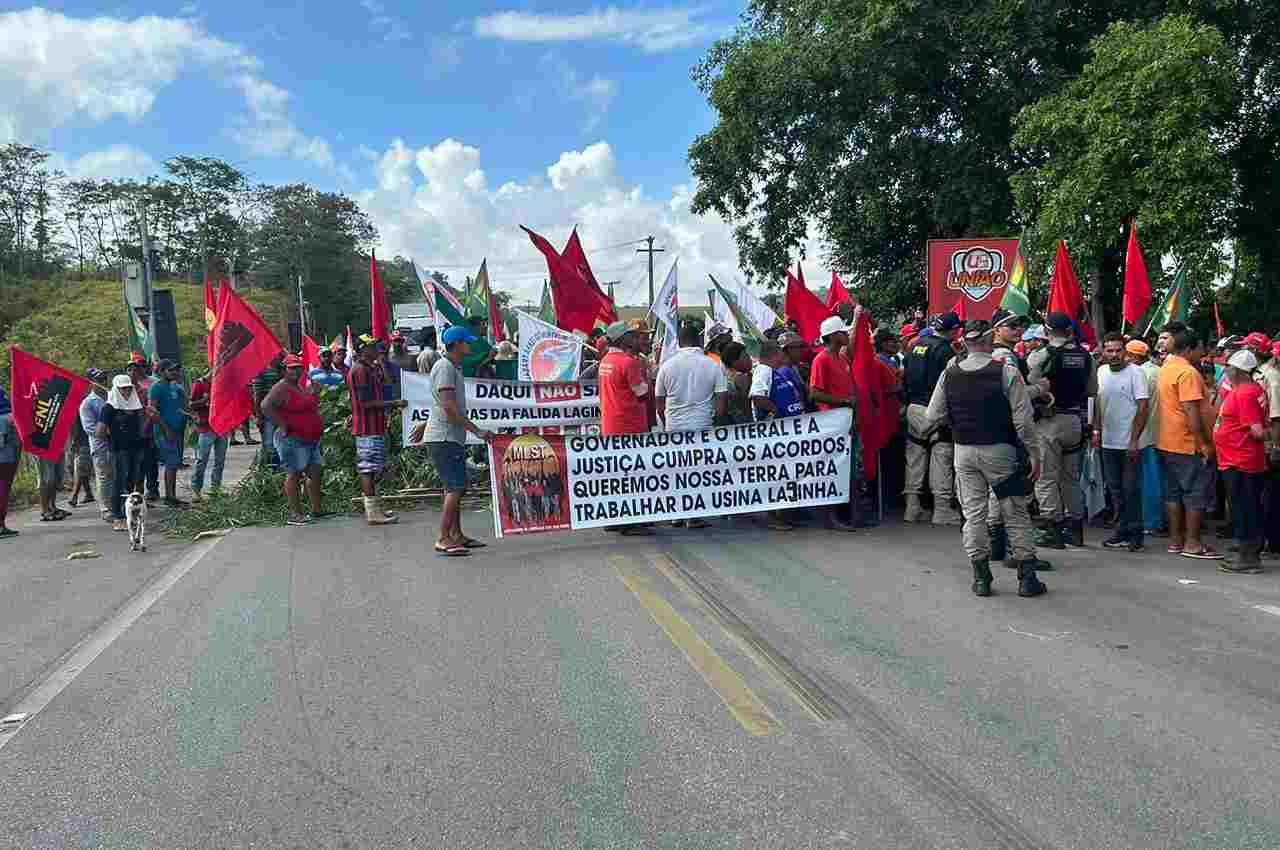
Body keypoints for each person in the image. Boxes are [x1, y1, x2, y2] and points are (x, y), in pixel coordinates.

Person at [925, 320, 1049, 598]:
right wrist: (1034, 453)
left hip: (964, 451)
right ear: (989, 338)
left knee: (973, 515)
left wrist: (959, 421)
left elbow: (932, 416)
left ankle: (981, 578)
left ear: (966, 342)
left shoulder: (950, 372)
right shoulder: (1004, 372)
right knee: (1015, 512)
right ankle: (1027, 579)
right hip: (1000, 452)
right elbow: (1024, 421)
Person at [423, 325, 496, 556]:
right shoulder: (445, 368)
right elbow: (449, 408)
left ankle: (456, 534)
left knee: (455, 487)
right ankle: (443, 537)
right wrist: (478, 431)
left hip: (450, 436)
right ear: (456, 344)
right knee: (455, 487)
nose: (470, 345)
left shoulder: (452, 366)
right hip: (444, 436)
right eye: (466, 342)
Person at [1028, 311, 1096, 549]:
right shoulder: (1086, 356)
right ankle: (1075, 529)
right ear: (1069, 330)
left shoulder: (1040, 356)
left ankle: (1051, 530)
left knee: (1046, 476)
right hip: (1075, 421)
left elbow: (1032, 388)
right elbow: (1091, 391)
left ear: (1046, 331)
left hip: (1049, 421)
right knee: (1071, 479)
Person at [1156, 330, 1220, 559]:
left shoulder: (1166, 369)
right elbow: (1191, 411)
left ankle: (1175, 541)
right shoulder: (1187, 373)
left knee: (1173, 494)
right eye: (1201, 348)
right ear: (1189, 349)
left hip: (1166, 441)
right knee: (1195, 493)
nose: (1203, 352)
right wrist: (1203, 443)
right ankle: (1192, 543)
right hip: (1186, 443)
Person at [902, 312, 962, 525]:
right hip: (936, 410)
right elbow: (951, 383)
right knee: (941, 457)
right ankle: (942, 510)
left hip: (913, 407)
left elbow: (904, 375)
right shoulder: (945, 351)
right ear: (953, 330)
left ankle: (912, 508)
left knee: (915, 458)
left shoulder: (915, 345)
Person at [1095, 333, 1151, 552]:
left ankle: (1136, 534)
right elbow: (1098, 403)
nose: (1114, 354)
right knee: (1115, 489)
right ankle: (1122, 530)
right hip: (1108, 442)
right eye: (1110, 350)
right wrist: (1097, 431)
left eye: (1118, 350)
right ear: (1103, 352)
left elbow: (1143, 407)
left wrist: (1134, 440)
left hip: (1130, 443)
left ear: (1125, 352)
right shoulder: (1100, 372)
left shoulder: (1136, 373)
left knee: (1131, 489)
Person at [1214, 349, 1268, 573]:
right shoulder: (1248, 390)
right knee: (1245, 507)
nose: (1225, 370)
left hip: (1241, 461)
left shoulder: (1244, 393)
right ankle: (1247, 553)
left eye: (1228, 367)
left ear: (1238, 371)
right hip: (1238, 459)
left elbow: (1256, 430)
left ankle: (1248, 558)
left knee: (1244, 509)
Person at [598, 319, 654, 536]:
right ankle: (631, 521)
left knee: (616, 475)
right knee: (633, 475)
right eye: (631, 335)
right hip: (629, 425)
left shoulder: (605, 360)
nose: (635, 338)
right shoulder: (628, 362)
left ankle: (615, 519)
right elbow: (642, 393)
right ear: (623, 339)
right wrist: (648, 377)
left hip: (611, 425)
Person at [263, 354, 328, 526]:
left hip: (309, 438)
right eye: (292, 368)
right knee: (294, 474)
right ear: (284, 370)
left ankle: (317, 510)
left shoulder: (298, 386)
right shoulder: (281, 387)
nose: (296, 371)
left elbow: (308, 407)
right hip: (293, 439)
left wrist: (315, 393)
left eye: (298, 367)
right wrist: (282, 425)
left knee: (315, 471)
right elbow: (265, 406)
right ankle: (295, 514)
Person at [348, 334, 407, 525]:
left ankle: (375, 506)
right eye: (372, 347)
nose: (377, 350)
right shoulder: (360, 371)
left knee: (375, 468)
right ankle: (373, 512)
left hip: (375, 424)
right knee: (368, 469)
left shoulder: (369, 368)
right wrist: (393, 403)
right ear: (362, 349)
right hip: (367, 427)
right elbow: (365, 403)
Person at [809, 315, 861, 532]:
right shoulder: (821, 360)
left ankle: (846, 514)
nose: (846, 334)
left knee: (848, 470)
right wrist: (844, 401)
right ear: (833, 336)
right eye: (843, 332)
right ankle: (831, 517)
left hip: (846, 422)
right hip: (832, 424)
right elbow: (814, 393)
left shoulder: (842, 359)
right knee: (833, 471)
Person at [749, 339, 804, 530]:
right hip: (774, 434)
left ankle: (783, 514)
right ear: (774, 354)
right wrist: (776, 412)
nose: (784, 356)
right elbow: (757, 396)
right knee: (775, 475)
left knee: (783, 474)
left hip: (785, 433)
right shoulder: (764, 370)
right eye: (781, 352)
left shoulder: (774, 373)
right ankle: (773, 517)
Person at [656, 319, 729, 433]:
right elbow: (722, 401)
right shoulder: (714, 365)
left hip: (674, 429)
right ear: (699, 341)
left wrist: (667, 424)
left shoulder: (666, 366)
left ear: (679, 343)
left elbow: (659, 405)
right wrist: (716, 425)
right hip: (704, 427)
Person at [100, 374, 148, 533]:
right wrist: (112, 436)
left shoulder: (135, 406)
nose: (126, 391)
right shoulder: (109, 408)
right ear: (116, 389)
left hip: (135, 448)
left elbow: (140, 428)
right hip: (118, 450)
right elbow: (100, 430)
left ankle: (127, 512)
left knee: (131, 480)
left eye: (128, 388)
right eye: (122, 388)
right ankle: (117, 516)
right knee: (118, 482)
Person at [147, 359, 189, 508]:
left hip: (178, 430)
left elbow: (181, 407)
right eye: (171, 370)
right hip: (164, 432)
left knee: (175, 463)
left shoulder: (175, 387)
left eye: (176, 370)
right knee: (170, 463)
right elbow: (152, 411)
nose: (175, 373)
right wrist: (166, 429)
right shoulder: (156, 388)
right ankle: (170, 498)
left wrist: (189, 416)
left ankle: (172, 496)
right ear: (162, 371)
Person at [78, 369, 111, 521]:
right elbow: (89, 428)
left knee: (118, 475)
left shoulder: (112, 397)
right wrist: (108, 432)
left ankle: (117, 503)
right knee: (104, 477)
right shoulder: (87, 403)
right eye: (99, 379)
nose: (103, 381)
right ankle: (106, 509)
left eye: (105, 378)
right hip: (100, 445)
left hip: (117, 444)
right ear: (91, 382)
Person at [1257, 339, 1280, 558]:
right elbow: (1275, 419)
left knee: (1269, 495)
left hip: (1266, 443)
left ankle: (1269, 542)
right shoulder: (1270, 377)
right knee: (1270, 495)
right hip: (1268, 443)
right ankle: (1271, 542)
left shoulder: (1266, 375)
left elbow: (1275, 418)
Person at [188, 370, 225, 502]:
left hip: (221, 427)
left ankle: (215, 489)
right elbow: (191, 405)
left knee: (220, 461)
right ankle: (196, 490)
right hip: (205, 427)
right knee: (201, 460)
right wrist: (204, 401)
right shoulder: (199, 384)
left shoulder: (223, 383)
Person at [127, 358, 160, 503]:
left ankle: (152, 489)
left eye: (137, 368)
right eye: (130, 369)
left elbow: (150, 410)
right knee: (135, 467)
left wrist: (146, 427)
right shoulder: (122, 389)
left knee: (150, 462)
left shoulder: (147, 388)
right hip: (129, 435)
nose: (134, 371)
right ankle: (136, 496)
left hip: (147, 432)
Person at [253, 353, 284, 469]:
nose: (279, 357)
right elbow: (257, 395)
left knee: (282, 443)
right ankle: (269, 471)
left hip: (283, 414)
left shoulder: (283, 370)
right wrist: (258, 416)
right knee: (269, 445)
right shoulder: (261, 372)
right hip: (267, 414)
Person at [0, 387, 20, 539]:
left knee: (4, 488)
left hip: (8, 450)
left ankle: (2, 524)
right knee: (3, 487)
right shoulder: (6, 415)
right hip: (4, 453)